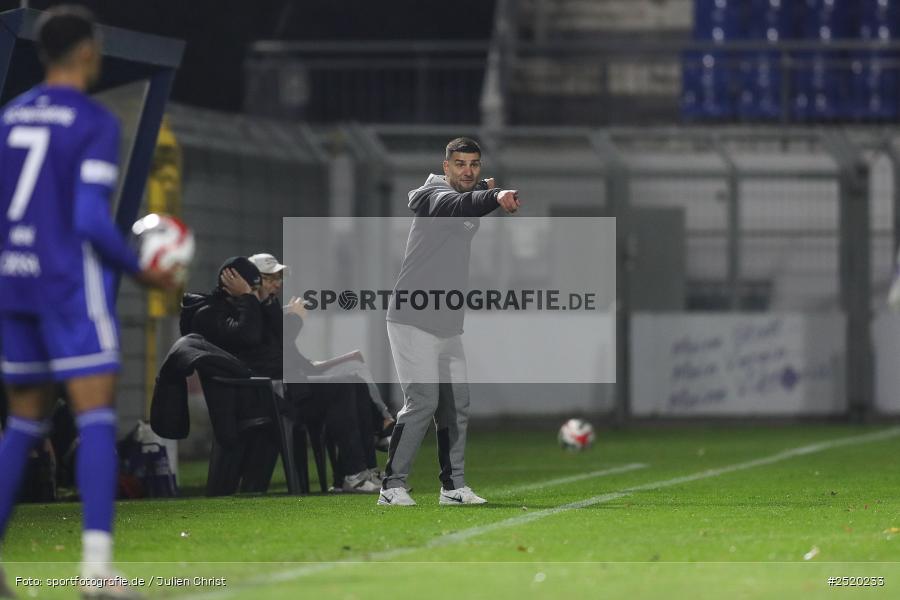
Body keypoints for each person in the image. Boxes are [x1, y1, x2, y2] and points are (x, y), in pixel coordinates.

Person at [0, 6, 174, 598]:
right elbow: (89, 222)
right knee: (96, 417)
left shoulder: (8, 118)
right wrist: (143, 271)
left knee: (23, 424)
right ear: (83, 52)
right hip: (67, 286)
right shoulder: (92, 122)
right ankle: (97, 571)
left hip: (12, 283)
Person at [379, 137, 520, 506]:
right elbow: (457, 205)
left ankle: (453, 488)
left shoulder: (466, 199)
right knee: (423, 401)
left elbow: (468, 205)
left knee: (456, 404)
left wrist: (489, 196)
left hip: (445, 321)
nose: (468, 171)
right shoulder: (433, 196)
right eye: (460, 164)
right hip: (411, 317)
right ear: (446, 168)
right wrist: (493, 196)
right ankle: (391, 487)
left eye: (474, 164)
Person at [182, 257, 380, 493]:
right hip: (258, 397)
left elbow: (279, 342)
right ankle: (357, 469)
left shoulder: (251, 307)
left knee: (352, 383)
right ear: (232, 285)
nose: (262, 291)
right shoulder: (209, 314)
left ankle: (355, 473)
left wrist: (264, 304)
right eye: (255, 287)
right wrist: (250, 298)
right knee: (341, 386)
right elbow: (251, 338)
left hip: (277, 390)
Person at [248, 253, 395, 447]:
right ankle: (381, 428)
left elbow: (290, 354)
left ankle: (382, 426)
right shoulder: (252, 314)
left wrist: (315, 363)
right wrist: (296, 319)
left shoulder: (271, 308)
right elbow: (278, 349)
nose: (277, 284)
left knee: (354, 366)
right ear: (253, 282)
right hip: (287, 392)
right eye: (269, 278)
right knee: (349, 382)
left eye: (278, 278)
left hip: (302, 376)